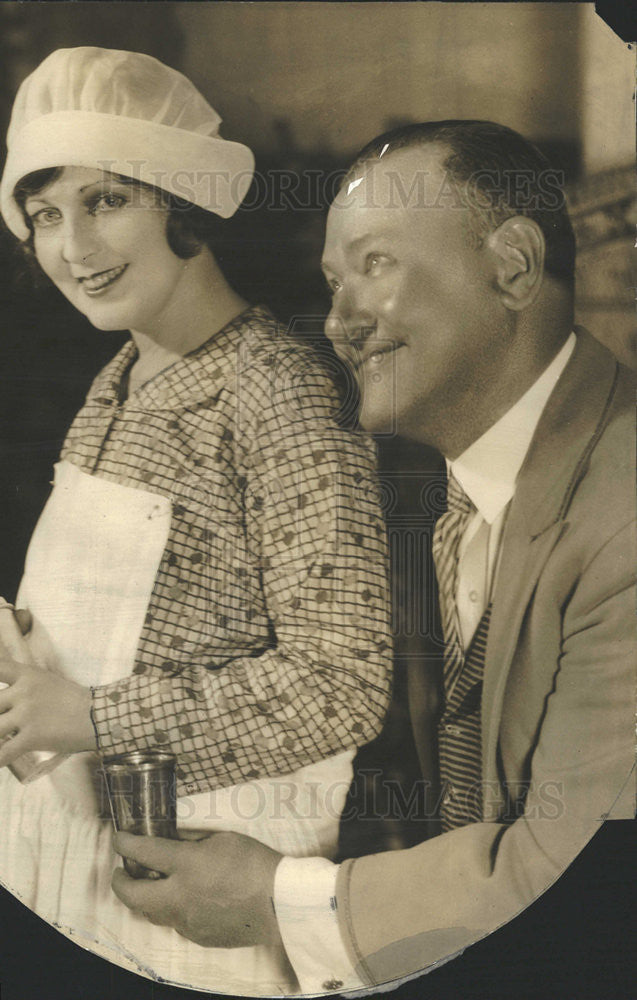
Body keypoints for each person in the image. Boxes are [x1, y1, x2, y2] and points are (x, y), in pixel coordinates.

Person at [110, 120, 636, 994]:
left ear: (511, 266)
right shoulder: (471, 493)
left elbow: (574, 880)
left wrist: (276, 898)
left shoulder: (622, 520)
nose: (338, 323)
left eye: (376, 264)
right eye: (331, 281)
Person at [0, 48, 392, 994]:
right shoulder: (122, 377)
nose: (74, 251)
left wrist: (91, 711)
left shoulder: (277, 390)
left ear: (182, 198)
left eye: (105, 203)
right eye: (45, 215)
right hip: (72, 861)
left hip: (202, 891)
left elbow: (342, 681)